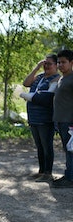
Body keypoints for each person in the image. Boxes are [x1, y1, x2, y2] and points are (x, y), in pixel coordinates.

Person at [21, 54, 60, 182]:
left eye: (50, 64)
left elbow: (46, 98)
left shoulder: (56, 79)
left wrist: (28, 96)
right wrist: (37, 67)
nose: (46, 66)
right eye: (45, 63)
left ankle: (48, 173)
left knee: (46, 145)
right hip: (33, 117)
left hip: (45, 118)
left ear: (56, 65)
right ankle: (42, 170)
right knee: (39, 146)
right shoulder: (39, 77)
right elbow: (26, 83)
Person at [52, 49, 73, 188]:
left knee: (71, 150)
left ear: (71, 63)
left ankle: (70, 178)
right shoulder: (61, 78)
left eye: (63, 62)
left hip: (69, 121)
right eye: (58, 62)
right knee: (67, 149)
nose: (60, 65)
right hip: (60, 120)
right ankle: (68, 174)